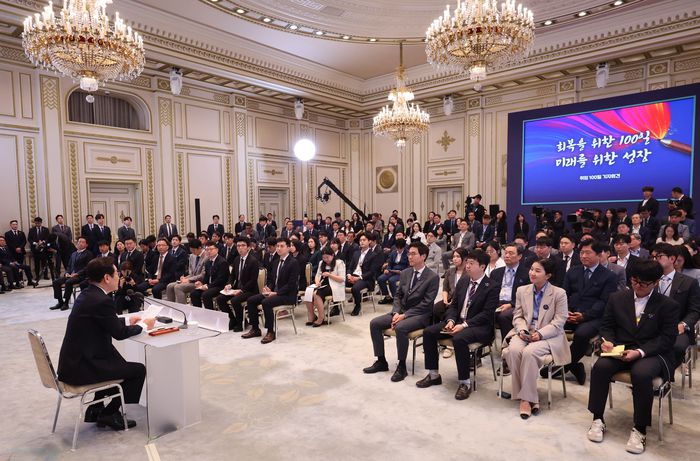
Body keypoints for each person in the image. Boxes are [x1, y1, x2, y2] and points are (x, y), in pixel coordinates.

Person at [586, 259, 679, 454]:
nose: (637, 286)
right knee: (600, 367)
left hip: (651, 352)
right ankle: (597, 418)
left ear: (656, 282)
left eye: (643, 283)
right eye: (634, 281)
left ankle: (640, 428)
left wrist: (640, 352)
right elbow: (607, 326)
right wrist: (608, 341)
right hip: (621, 349)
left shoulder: (667, 305)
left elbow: (667, 338)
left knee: (641, 374)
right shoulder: (617, 298)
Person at [57, 257, 153, 431]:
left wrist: (127, 320)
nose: (119, 277)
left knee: (117, 362)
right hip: (82, 368)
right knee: (137, 370)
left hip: (72, 362)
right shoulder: (102, 300)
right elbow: (119, 334)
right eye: (116, 274)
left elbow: (102, 321)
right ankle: (109, 413)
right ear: (107, 278)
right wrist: (144, 326)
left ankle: (95, 408)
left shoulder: (88, 293)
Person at [416, 250, 497, 399]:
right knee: (429, 332)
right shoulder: (464, 281)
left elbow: (487, 314)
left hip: (479, 327)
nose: (468, 266)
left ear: (482, 266)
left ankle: (465, 383)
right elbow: (454, 305)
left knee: (459, 339)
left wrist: (464, 325)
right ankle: (433, 375)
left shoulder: (491, 286)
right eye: (467, 262)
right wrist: (451, 320)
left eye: (472, 263)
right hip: (458, 322)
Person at [503, 258, 570, 418]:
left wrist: (540, 334)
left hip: (549, 335)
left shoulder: (559, 293)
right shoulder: (522, 290)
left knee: (529, 352)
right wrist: (522, 329)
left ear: (548, 275)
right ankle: (530, 396)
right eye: (531, 269)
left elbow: (559, 321)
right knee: (513, 350)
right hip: (525, 331)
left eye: (537, 271)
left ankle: (525, 399)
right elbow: (517, 316)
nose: (532, 273)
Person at [364, 242, 440, 382]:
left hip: (421, 315)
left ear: (423, 256)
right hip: (401, 312)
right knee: (375, 323)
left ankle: (402, 366)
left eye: (413, 254)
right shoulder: (406, 272)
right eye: (409, 254)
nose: (409, 256)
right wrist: (395, 313)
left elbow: (426, 303)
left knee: (401, 327)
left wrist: (404, 316)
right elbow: (398, 296)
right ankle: (381, 361)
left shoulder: (432, 277)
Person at [560, 239, 618, 384]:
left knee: (582, 334)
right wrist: (566, 312)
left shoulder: (609, 276)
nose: (583, 256)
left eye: (588, 253)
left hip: (594, 317)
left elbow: (604, 302)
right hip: (570, 313)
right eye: (581, 253)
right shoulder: (573, 271)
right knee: (550, 327)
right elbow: (563, 294)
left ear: (599, 254)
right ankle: (574, 366)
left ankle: (561, 366)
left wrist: (584, 316)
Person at [651, 243, 700, 371]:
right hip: (651, 325)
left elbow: (695, 310)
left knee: (676, 347)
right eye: (653, 257)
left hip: (677, 326)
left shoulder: (689, 282)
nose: (655, 260)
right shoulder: (649, 279)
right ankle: (655, 372)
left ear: (672, 259)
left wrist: (683, 324)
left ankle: (664, 374)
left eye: (659, 257)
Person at [242, 237, 300, 344]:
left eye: (282, 246)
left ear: (288, 248)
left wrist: (276, 293)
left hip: (287, 295)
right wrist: (268, 287)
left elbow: (291, 284)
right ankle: (255, 328)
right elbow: (272, 280)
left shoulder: (293, 263)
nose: (279, 248)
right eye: (277, 246)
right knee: (251, 300)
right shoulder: (276, 262)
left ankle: (270, 331)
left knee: (266, 302)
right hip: (274, 293)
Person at [216, 237, 260, 331]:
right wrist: (229, 284)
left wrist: (241, 290)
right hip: (237, 288)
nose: (240, 248)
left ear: (248, 247)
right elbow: (232, 275)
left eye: (243, 245)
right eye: (238, 246)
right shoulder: (236, 259)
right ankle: (233, 320)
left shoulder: (253, 261)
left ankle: (241, 323)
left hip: (249, 290)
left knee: (235, 300)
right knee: (220, 298)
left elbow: (253, 280)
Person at [491, 243, 531, 347]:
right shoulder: (496, 273)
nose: (507, 255)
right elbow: (490, 292)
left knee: (504, 316)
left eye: (511, 253)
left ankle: (507, 347)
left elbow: (527, 295)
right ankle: (482, 348)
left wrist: (511, 304)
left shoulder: (527, 273)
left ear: (520, 256)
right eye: (505, 253)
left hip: (515, 305)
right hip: (497, 303)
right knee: (481, 312)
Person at [303, 247, 346, 326]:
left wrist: (329, 275)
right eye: (323, 258)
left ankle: (321, 317)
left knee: (316, 294)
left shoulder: (339, 263)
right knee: (308, 291)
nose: (325, 259)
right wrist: (317, 282)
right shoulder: (321, 263)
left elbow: (342, 279)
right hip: (323, 284)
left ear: (332, 255)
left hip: (335, 285)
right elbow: (317, 275)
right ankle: (312, 316)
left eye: (327, 257)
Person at [50, 237, 93, 311]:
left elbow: (88, 267)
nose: (80, 243)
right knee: (56, 282)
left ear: (86, 245)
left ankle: (66, 303)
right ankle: (60, 302)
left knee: (68, 282)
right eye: (79, 242)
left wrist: (77, 273)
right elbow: (69, 266)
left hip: (81, 276)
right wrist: (67, 272)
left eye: (83, 242)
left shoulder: (88, 254)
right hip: (70, 275)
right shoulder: (73, 254)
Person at [346, 233, 383, 316]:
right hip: (353, 276)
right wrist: (349, 275)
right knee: (338, 283)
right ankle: (336, 307)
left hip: (366, 279)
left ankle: (357, 306)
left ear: (369, 241)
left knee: (355, 288)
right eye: (360, 240)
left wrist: (358, 278)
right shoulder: (356, 253)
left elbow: (372, 272)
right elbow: (350, 267)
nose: (361, 242)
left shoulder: (373, 255)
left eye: (364, 240)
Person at [165, 238, 208, 304]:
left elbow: (202, 275)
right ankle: (171, 307)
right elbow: (191, 273)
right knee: (170, 286)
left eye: (193, 250)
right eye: (191, 250)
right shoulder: (192, 256)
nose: (192, 252)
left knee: (178, 287)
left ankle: (182, 308)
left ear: (199, 248)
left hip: (200, 282)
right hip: (191, 279)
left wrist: (189, 280)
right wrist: (185, 278)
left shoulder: (206, 257)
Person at [190, 241, 229, 310]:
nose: (209, 251)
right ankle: (198, 313)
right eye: (207, 249)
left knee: (206, 295)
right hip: (209, 285)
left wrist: (207, 286)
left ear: (217, 250)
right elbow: (207, 276)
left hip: (219, 286)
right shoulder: (208, 262)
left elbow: (221, 279)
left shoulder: (222, 262)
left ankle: (210, 314)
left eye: (211, 249)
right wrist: (201, 283)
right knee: (194, 293)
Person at [434, 248, 468, 321]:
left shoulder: (469, 273)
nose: (455, 259)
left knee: (450, 311)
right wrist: (445, 300)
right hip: (449, 299)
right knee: (436, 308)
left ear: (465, 258)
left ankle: (450, 322)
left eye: (458, 256)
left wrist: (453, 302)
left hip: (462, 300)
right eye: (454, 257)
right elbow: (445, 288)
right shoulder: (450, 271)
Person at [377, 238, 408, 304]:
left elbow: (409, 266)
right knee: (380, 279)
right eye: (397, 248)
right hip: (392, 270)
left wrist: (402, 272)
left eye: (400, 249)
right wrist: (387, 269)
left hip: (401, 272)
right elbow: (390, 263)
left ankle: (396, 298)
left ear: (403, 247)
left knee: (391, 280)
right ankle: (387, 297)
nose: (398, 250)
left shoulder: (407, 253)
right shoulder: (393, 252)